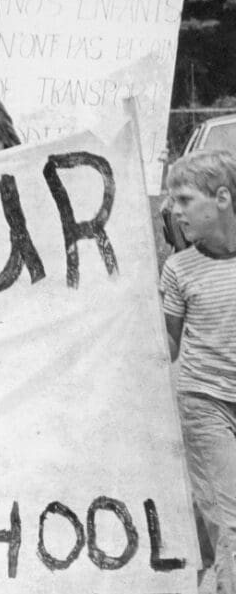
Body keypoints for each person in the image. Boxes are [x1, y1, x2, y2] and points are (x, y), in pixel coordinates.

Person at [160, 149, 236, 593]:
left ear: (222, 198)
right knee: (230, 525)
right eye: (172, 199)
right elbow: (166, 343)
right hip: (205, 404)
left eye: (185, 199)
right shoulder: (178, 269)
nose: (173, 209)